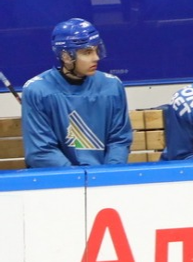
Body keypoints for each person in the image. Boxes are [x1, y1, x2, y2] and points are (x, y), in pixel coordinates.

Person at [21, 18, 132, 168]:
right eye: (87, 52)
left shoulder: (112, 86)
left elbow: (119, 140)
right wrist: (78, 177)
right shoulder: (37, 91)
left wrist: (107, 174)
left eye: (96, 50)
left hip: (104, 177)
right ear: (66, 56)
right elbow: (41, 152)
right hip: (60, 180)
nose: (96, 57)